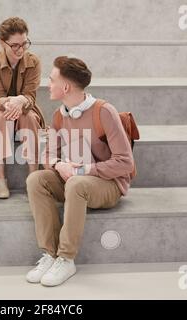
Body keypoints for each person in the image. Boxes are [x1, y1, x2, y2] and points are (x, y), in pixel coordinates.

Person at [25, 56, 135, 286]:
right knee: (36, 179)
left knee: (75, 182)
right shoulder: (58, 115)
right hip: (76, 181)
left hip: (107, 184)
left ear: (65, 87)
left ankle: (66, 258)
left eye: (51, 79)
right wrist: (58, 164)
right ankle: (51, 254)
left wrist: (84, 169)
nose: (48, 84)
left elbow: (125, 162)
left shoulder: (103, 111)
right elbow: (47, 155)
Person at [0, 17, 45, 199]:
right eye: (15, 45)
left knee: (29, 118)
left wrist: (21, 101)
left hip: (26, 108)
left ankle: (34, 176)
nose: (20, 49)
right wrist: (12, 102)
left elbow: (30, 95)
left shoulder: (33, 61)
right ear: (2, 42)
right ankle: (0, 177)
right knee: (2, 118)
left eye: (24, 43)